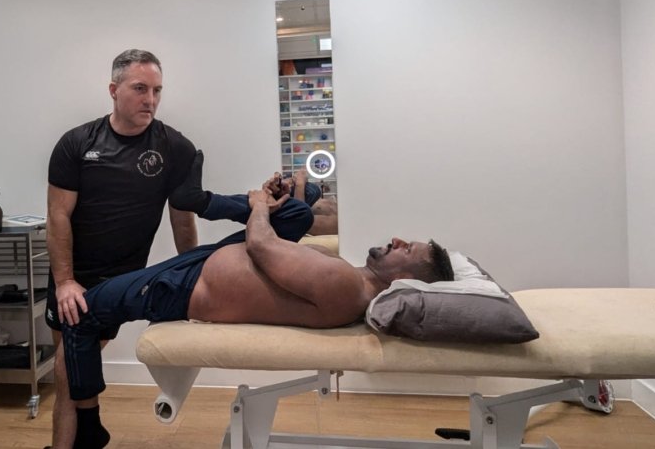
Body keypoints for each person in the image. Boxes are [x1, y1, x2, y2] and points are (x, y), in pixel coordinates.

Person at [59, 174, 454, 445]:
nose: (397, 240)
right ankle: (200, 201)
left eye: (407, 250)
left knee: (78, 313)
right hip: (204, 263)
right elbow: (275, 254)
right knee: (298, 213)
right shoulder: (353, 280)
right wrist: (277, 199)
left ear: (406, 282)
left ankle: (90, 432)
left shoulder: (348, 287)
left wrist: (259, 205)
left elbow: (262, 246)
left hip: (182, 286)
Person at [45, 49, 208, 449]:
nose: (150, 99)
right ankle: (84, 435)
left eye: (156, 90)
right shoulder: (77, 144)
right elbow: (57, 216)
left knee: (69, 365)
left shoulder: (175, 148)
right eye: (140, 88)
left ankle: (85, 434)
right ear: (114, 90)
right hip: (71, 275)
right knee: (67, 367)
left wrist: (196, 278)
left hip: (120, 280)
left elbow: (182, 217)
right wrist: (65, 281)